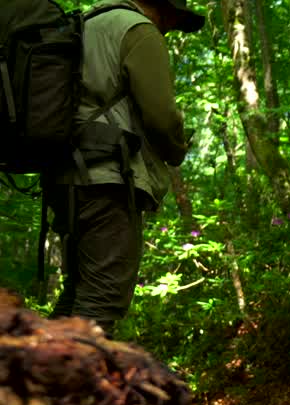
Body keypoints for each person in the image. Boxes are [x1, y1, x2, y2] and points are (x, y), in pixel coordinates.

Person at [45, 0, 204, 338]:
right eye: (175, 18)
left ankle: (33, 379)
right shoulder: (139, 30)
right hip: (109, 178)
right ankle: (70, 386)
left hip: (64, 176)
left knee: (76, 293)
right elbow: (162, 117)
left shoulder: (85, 25)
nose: (171, 27)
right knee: (100, 301)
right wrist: (176, 150)